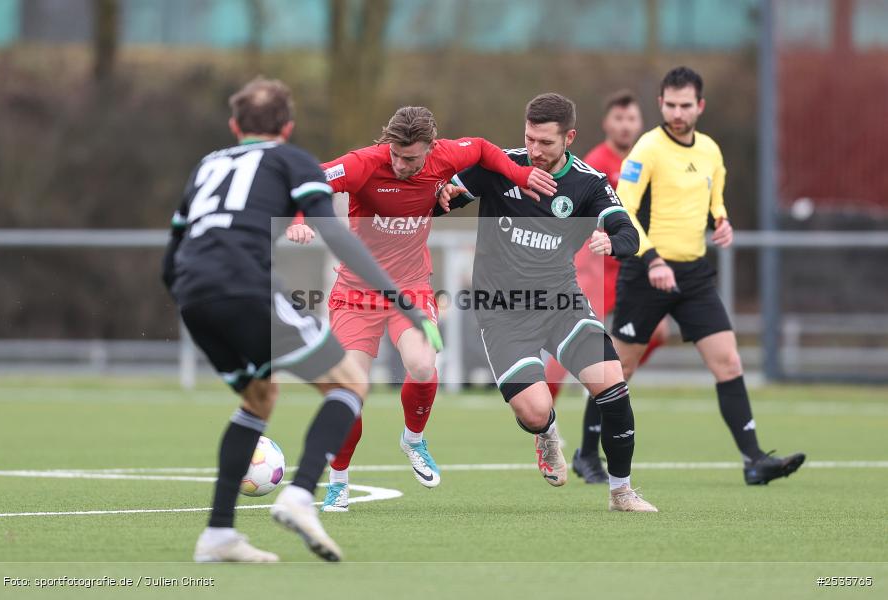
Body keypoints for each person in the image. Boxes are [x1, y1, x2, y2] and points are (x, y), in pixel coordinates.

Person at [162, 78, 442, 563]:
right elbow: (338, 236)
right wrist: (403, 300)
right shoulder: (290, 160)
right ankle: (300, 496)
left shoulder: (206, 166)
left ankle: (218, 535)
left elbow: (172, 256)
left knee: (259, 397)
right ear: (287, 127)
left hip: (192, 296)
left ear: (234, 126)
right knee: (350, 384)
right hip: (246, 289)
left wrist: (193, 299)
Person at [286, 106, 556, 511]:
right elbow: (311, 181)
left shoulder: (445, 157)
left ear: (431, 149)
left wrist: (519, 174)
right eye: (395, 154)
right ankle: (339, 482)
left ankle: (413, 440)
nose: (399, 164)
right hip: (356, 294)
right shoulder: (364, 164)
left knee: (423, 365)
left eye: (410, 158)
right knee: (348, 392)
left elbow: (482, 148)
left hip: (411, 291)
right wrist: (299, 217)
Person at [438, 93, 658, 512]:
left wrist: (612, 241)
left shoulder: (589, 183)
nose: (535, 151)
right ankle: (547, 433)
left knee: (612, 385)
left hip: (562, 304)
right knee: (536, 411)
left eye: (546, 143)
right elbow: (445, 199)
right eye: (530, 139)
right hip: (502, 311)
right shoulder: (500, 166)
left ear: (569, 138)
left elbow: (627, 233)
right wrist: (437, 194)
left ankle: (622, 492)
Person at [612, 66, 805, 485]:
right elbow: (623, 211)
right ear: (660, 103)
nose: (677, 113)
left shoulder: (711, 152)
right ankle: (589, 453)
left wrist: (722, 221)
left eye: (685, 105)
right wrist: (654, 261)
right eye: (670, 104)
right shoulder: (646, 149)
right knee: (616, 370)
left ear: (699, 106)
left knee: (729, 361)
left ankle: (754, 460)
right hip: (646, 271)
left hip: (694, 275)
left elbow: (714, 201)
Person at [545, 90, 668, 484]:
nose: (626, 125)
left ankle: (603, 383)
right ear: (606, 123)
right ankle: (546, 426)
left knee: (659, 332)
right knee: (568, 352)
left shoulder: (644, 159)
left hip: (627, 265)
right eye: (619, 119)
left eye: (632, 119)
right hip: (593, 267)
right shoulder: (595, 163)